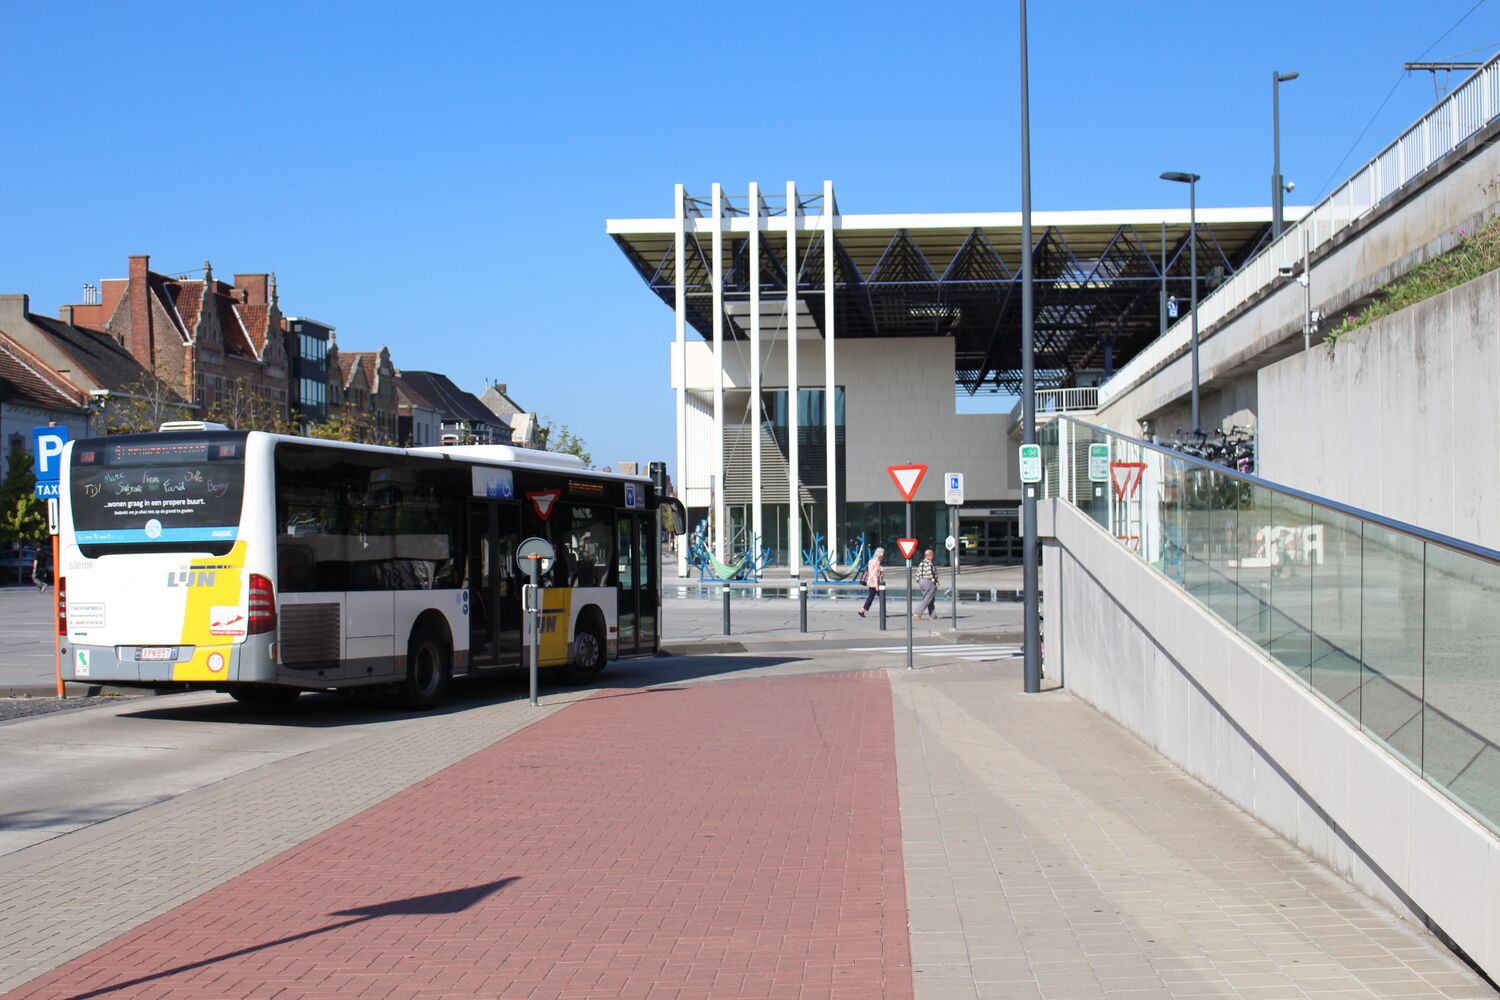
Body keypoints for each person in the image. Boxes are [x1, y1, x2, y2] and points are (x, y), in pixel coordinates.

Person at [858, 547, 885, 617]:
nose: (883, 556)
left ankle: (862, 610)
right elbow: (874, 574)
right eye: (883, 555)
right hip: (875, 583)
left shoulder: (872, 561)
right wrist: (876, 585)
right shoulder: (876, 562)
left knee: (871, 597)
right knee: (881, 598)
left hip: (871, 582)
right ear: (880, 555)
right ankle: (882, 613)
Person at [916, 548, 938, 618]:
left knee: (929, 597)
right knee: (928, 598)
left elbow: (917, 574)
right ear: (930, 556)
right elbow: (930, 573)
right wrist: (935, 582)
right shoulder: (929, 563)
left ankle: (933, 615)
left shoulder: (921, 563)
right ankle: (917, 613)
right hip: (928, 581)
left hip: (921, 581)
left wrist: (919, 582)